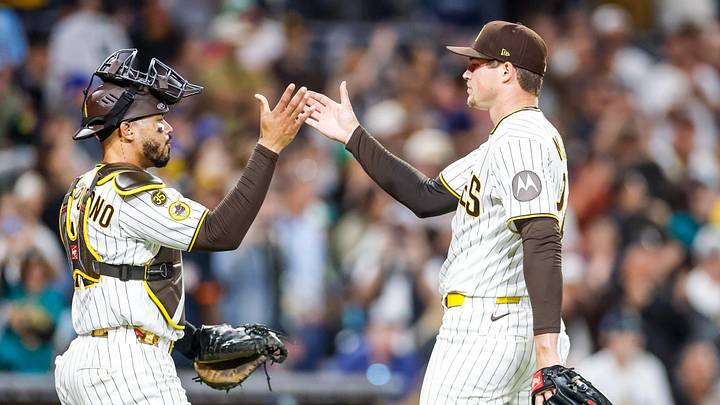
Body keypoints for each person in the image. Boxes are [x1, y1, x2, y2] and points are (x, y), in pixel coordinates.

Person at [307, 21, 586, 404]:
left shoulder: (523, 140)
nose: (465, 72)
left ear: (506, 71)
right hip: (507, 324)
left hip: (488, 329)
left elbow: (541, 236)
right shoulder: (506, 141)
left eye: (477, 63)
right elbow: (426, 197)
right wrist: (354, 136)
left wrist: (547, 351)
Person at [53, 48, 312, 404]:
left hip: (86, 360)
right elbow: (221, 233)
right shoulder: (133, 189)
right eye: (157, 122)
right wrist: (268, 147)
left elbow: (127, 277)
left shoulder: (81, 186)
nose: (168, 128)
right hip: (128, 364)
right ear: (126, 130)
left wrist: (189, 339)